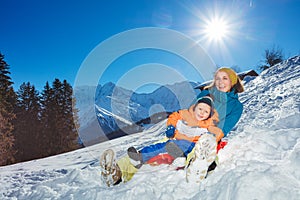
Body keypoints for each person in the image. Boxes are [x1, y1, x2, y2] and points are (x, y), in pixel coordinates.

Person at [100, 67, 244, 186]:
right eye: (218, 78)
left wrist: (208, 137)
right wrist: (174, 127)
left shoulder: (236, 106)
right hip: (186, 134)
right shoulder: (206, 93)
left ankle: (196, 168)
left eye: (225, 78)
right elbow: (187, 113)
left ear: (232, 81)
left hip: (208, 138)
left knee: (201, 151)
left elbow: (224, 128)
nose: (220, 82)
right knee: (155, 148)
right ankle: (117, 172)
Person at [126, 96, 222, 169]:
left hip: (192, 144)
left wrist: (213, 140)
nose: (202, 113)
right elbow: (173, 116)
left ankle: (182, 158)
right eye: (200, 109)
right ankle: (140, 157)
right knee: (159, 146)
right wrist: (170, 126)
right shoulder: (185, 114)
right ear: (194, 108)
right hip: (175, 140)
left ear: (210, 114)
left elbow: (217, 133)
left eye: (206, 112)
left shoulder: (208, 123)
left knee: (185, 146)